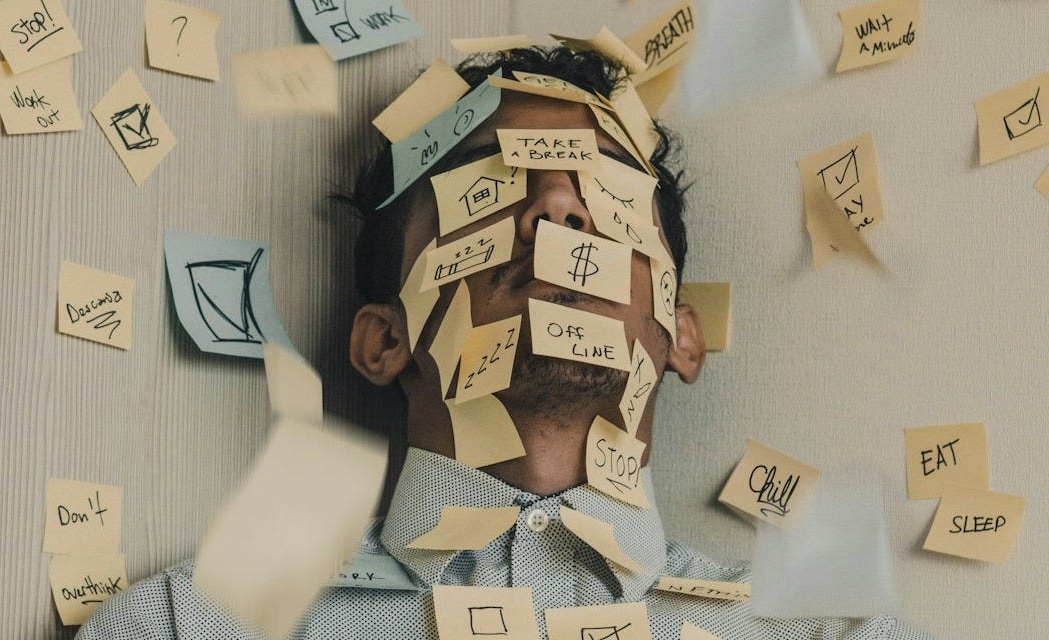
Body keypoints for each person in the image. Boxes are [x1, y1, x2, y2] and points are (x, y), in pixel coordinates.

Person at [76, 46, 932, 640]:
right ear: (383, 342)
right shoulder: (186, 629)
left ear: (679, 333)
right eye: (492, 180)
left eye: (606, 191)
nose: (558, 210)